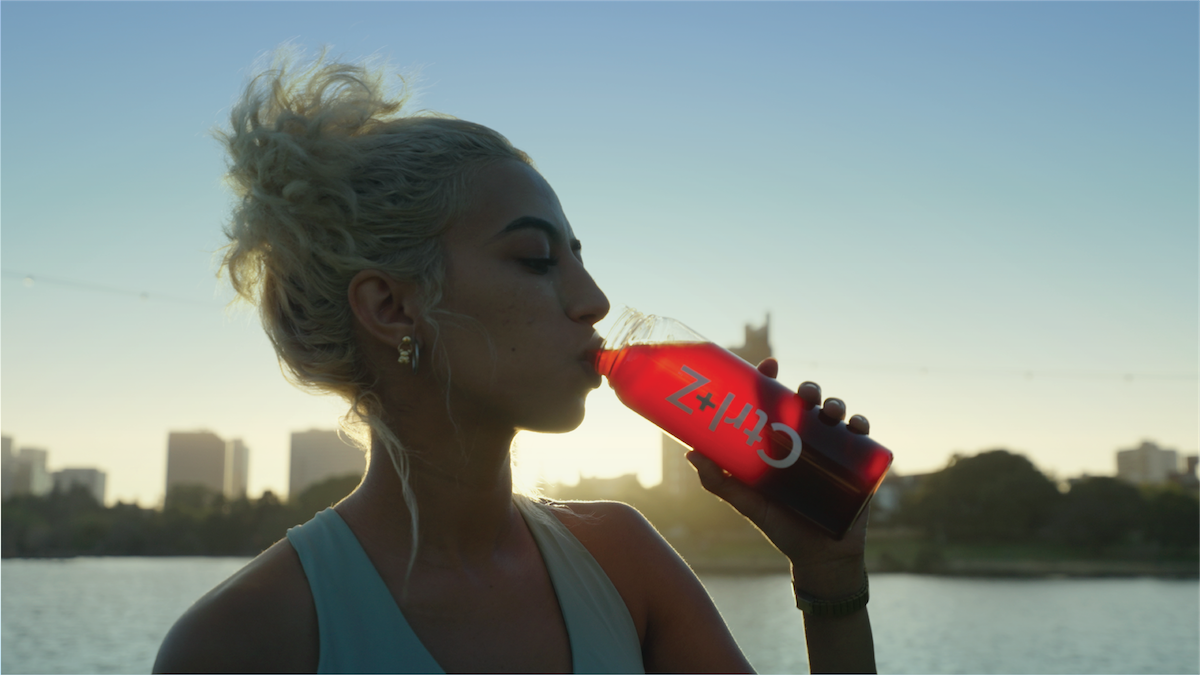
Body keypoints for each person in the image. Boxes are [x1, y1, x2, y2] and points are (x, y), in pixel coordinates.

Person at [153, 50, 877, 674]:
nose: (593, 299)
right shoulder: (243, 640)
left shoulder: (623, 560)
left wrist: (829, 575)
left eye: (579, 258)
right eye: (535, 259)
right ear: (392, 308)